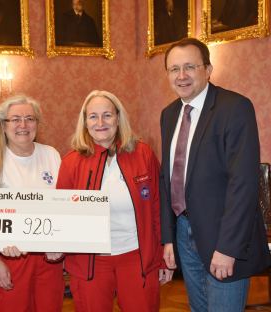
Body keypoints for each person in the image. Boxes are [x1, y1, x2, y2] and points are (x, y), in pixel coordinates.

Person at [160, 37, 270, 311]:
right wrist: (168, 238)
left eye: (190, 67)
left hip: (222, 237)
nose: (181, 76)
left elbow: (243, 184)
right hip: (184, 231)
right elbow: (168, 179)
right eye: (174, 69)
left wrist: (228, 248)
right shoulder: (169, 114)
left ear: (208, 69)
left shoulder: (235, 108)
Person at [56, 90, 172, 312]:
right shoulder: (71, 162)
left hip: (137, 257)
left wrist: (162, 259)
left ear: (118, 118)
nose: (100, 122)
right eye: (93, 116)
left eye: (107, 115)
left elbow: (158, 207)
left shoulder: (143, 153)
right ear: (85, 122)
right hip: (90, 262)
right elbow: (62, 216)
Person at [0, 95, 65, 312]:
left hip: (49, 259)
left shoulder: (52, 155)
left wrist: (60, 245)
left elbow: (63, 207)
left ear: (37, 123)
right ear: (3, 125)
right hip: (9, 257)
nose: (23, 125)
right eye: (15, 119)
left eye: (30, 118)